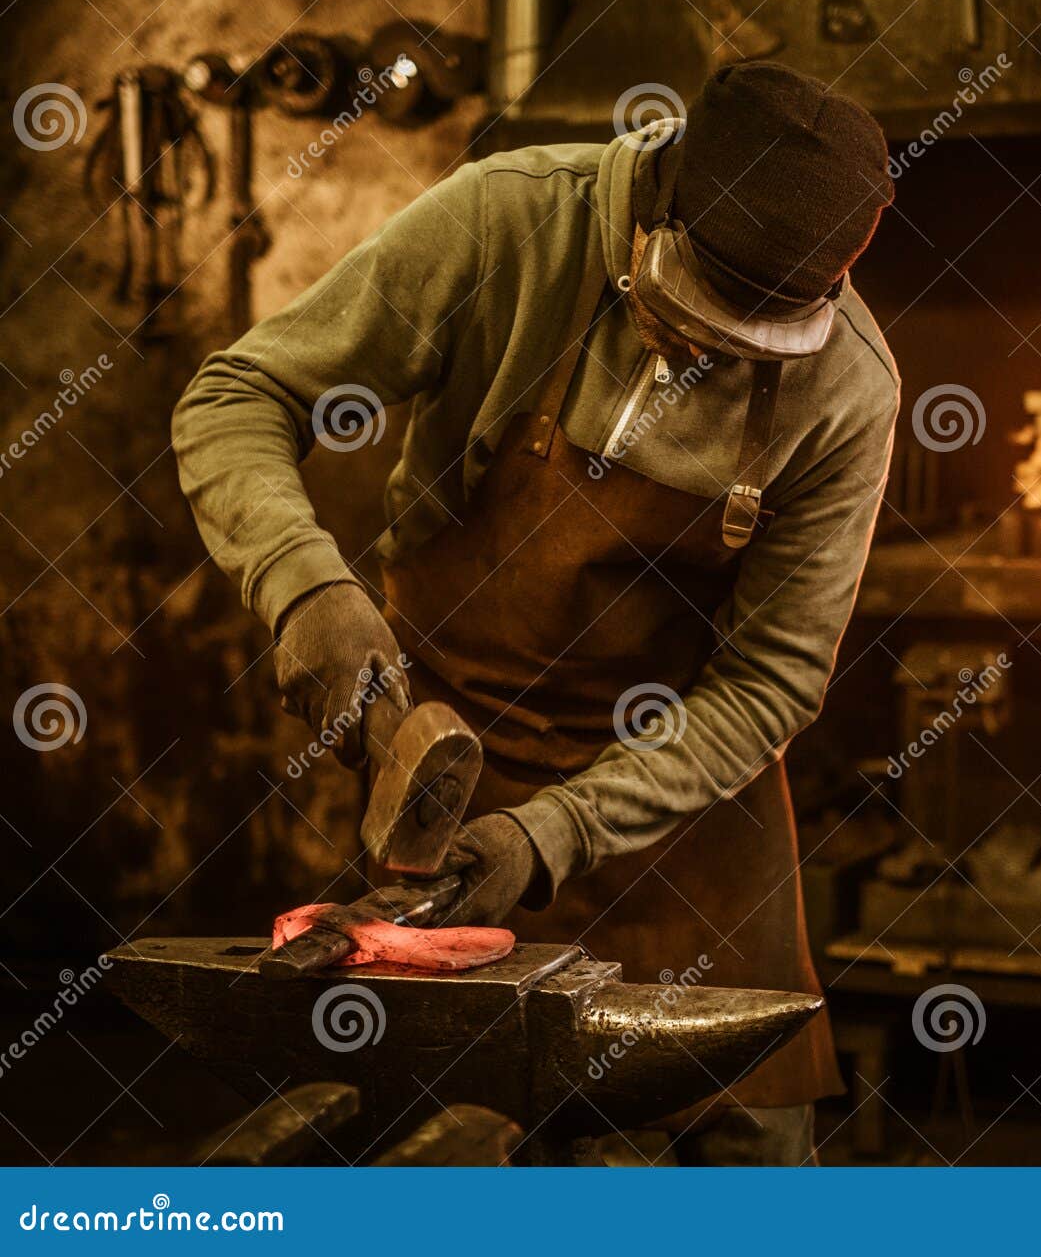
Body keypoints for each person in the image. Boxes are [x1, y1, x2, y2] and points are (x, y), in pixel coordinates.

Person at [172, 61, 898, 1165]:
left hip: (684, 826)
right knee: (430, 1154)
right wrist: (303, 579)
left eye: (746, 349)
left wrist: (559, 829)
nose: (703, 358)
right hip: (455, 781)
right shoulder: (510, 222)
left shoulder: (850, 388)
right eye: (691, 316)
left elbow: (771, 682)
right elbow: (238, 393)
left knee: (730, 1175)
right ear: (658, 200)